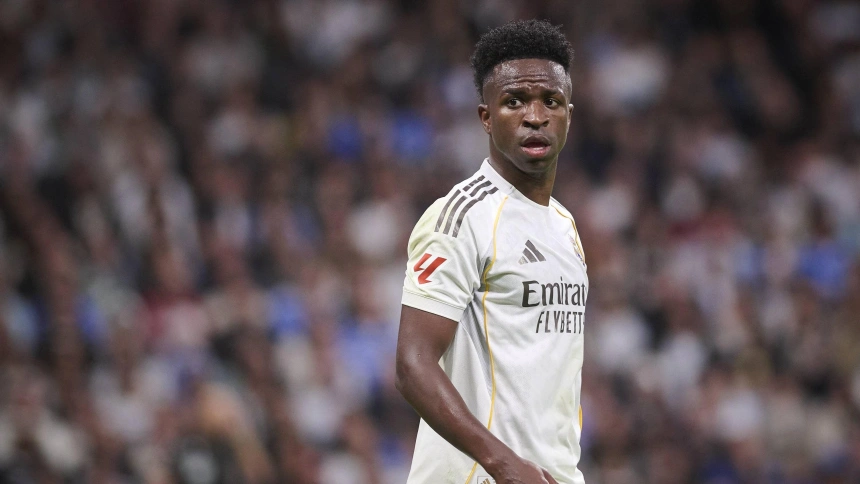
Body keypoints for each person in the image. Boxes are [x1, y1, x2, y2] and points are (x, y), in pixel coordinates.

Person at [395, 19, 588, 484]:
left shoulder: (564, 226)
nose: (535, 116)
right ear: (486, 117)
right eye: (515, 101)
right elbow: (413, 363)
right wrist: (503, 463)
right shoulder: (462, 217)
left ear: (568, 114)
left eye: (551, 102)